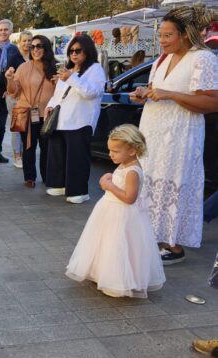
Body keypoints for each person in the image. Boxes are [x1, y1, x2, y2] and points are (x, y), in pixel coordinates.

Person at [130, 6, 218, 264]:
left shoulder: (203, 58)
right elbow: (158, 91)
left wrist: (170, 95)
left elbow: (212, 102)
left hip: (181, 136)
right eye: (161, 35)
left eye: (168, 35)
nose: (162, 40)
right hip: (153, 132)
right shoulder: (162, 59)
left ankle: (174, 246)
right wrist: (142, 94)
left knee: (174, 184)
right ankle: (151, 238)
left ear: (186, 34)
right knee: (150, 183)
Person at [66, 125, 165, 298]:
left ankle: (118, 280)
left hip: (122, 214)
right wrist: (111, 179)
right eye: (110, 150)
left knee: (119, 245)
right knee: (106, 242)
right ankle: (101, 272)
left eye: (115, 151)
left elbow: (129, 198)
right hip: (110, 210)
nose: (111, 154)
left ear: (132, 150)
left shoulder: (133, 171)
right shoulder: (124, 163)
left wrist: (109, 185)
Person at [44, 34, 106, 204]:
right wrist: (49, 105)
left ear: (87, 51)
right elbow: (59, 94)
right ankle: (59, 184)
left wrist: (71, 79)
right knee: (58, 155)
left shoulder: (95, 69)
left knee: (77, 158)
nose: (74, 54)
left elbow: (92, 92)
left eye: (78, 50)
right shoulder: (69, 70)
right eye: (71, 50)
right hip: (61, 120)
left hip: (80, 121)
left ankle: (78, 191)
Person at [6, 35, 57, 188]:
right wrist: (9, 79)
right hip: (27, 114)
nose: (35, 49)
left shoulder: (54, 68)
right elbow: (13, 92)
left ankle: (47, 176)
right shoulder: (23, 67)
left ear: (46, 48)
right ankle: (29, 177)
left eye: (39, 46)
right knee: (28, 146)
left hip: (48, 115)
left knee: (47, 148)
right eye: (32, 46)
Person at [0, 19, 23, 164]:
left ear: (11, 31)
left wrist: (7, 89)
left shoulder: (15, 50)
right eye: (0, 29)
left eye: (6, 29)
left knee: (2, 124)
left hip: (5, 92)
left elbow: (17, 73)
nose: (3, 32)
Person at [8, 31, 32, 169]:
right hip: (16, 97)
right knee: (17, 127)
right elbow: (9, 77)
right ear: (19, 42)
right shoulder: (14, 58)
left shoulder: (35, 57)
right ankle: (17, 155)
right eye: (24, 40)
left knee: (28, 126)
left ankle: (24, 153)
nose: (27, 43)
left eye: (29, 40)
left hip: (30, 97)